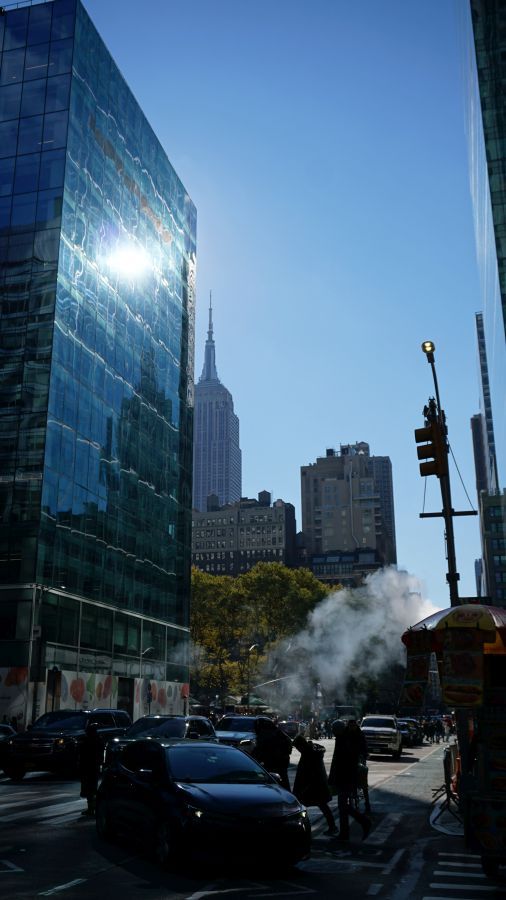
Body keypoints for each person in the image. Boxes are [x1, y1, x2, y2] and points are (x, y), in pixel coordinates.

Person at [328, 719, 371, 841]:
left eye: (334, 730)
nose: (333, 733)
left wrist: (333, 778)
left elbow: (340, 761)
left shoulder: (345, 740)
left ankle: (363, 822)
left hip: (346, 777)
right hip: (345, 777)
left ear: (339, 730)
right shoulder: (343, 738)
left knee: (343, 806)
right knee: (343, 806)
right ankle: (344, 834)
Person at [293, 734, 337, 835]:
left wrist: (303, 788)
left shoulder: (309, 753)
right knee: (322, 806)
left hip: (312, 785)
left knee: (302, 807)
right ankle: (332, 826)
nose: (298, 750)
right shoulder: (312, 751)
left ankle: (301, 828)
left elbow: (308, 772)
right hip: (317, 784)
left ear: (301, 745)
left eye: (297, 747)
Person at [251, 717, 292, 790]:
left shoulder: (265, 733)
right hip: (281, 761)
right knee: (283, 782)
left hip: (274, 762)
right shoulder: (277, 732)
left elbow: (259, 750)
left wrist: (251, 759)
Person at [79, 722, 103, 816]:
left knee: (89, 788)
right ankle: (93, 807)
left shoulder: (86, 741)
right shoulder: (98, 740)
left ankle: (91, 808)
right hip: (93, 766)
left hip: (87, 767)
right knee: (92, 787)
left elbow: (82, 754)